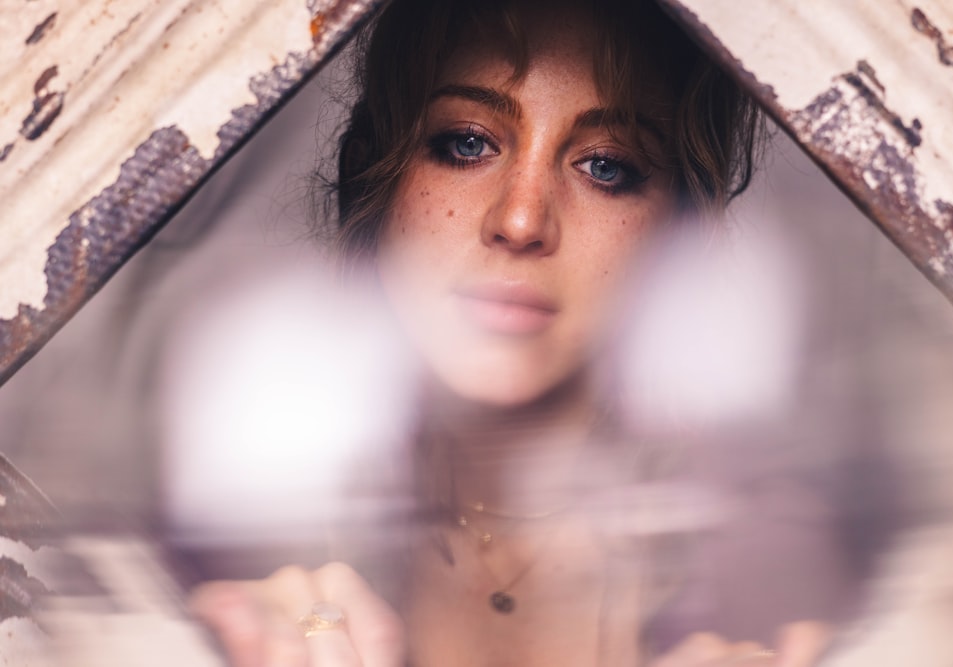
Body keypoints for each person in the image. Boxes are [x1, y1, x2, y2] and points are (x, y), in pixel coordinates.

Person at [189, 0, 852, 664]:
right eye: (466, 142)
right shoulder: (243, 507)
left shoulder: (764, 562)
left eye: (607, 165)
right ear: (374, 172)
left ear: (674, 230)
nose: (522, 218)